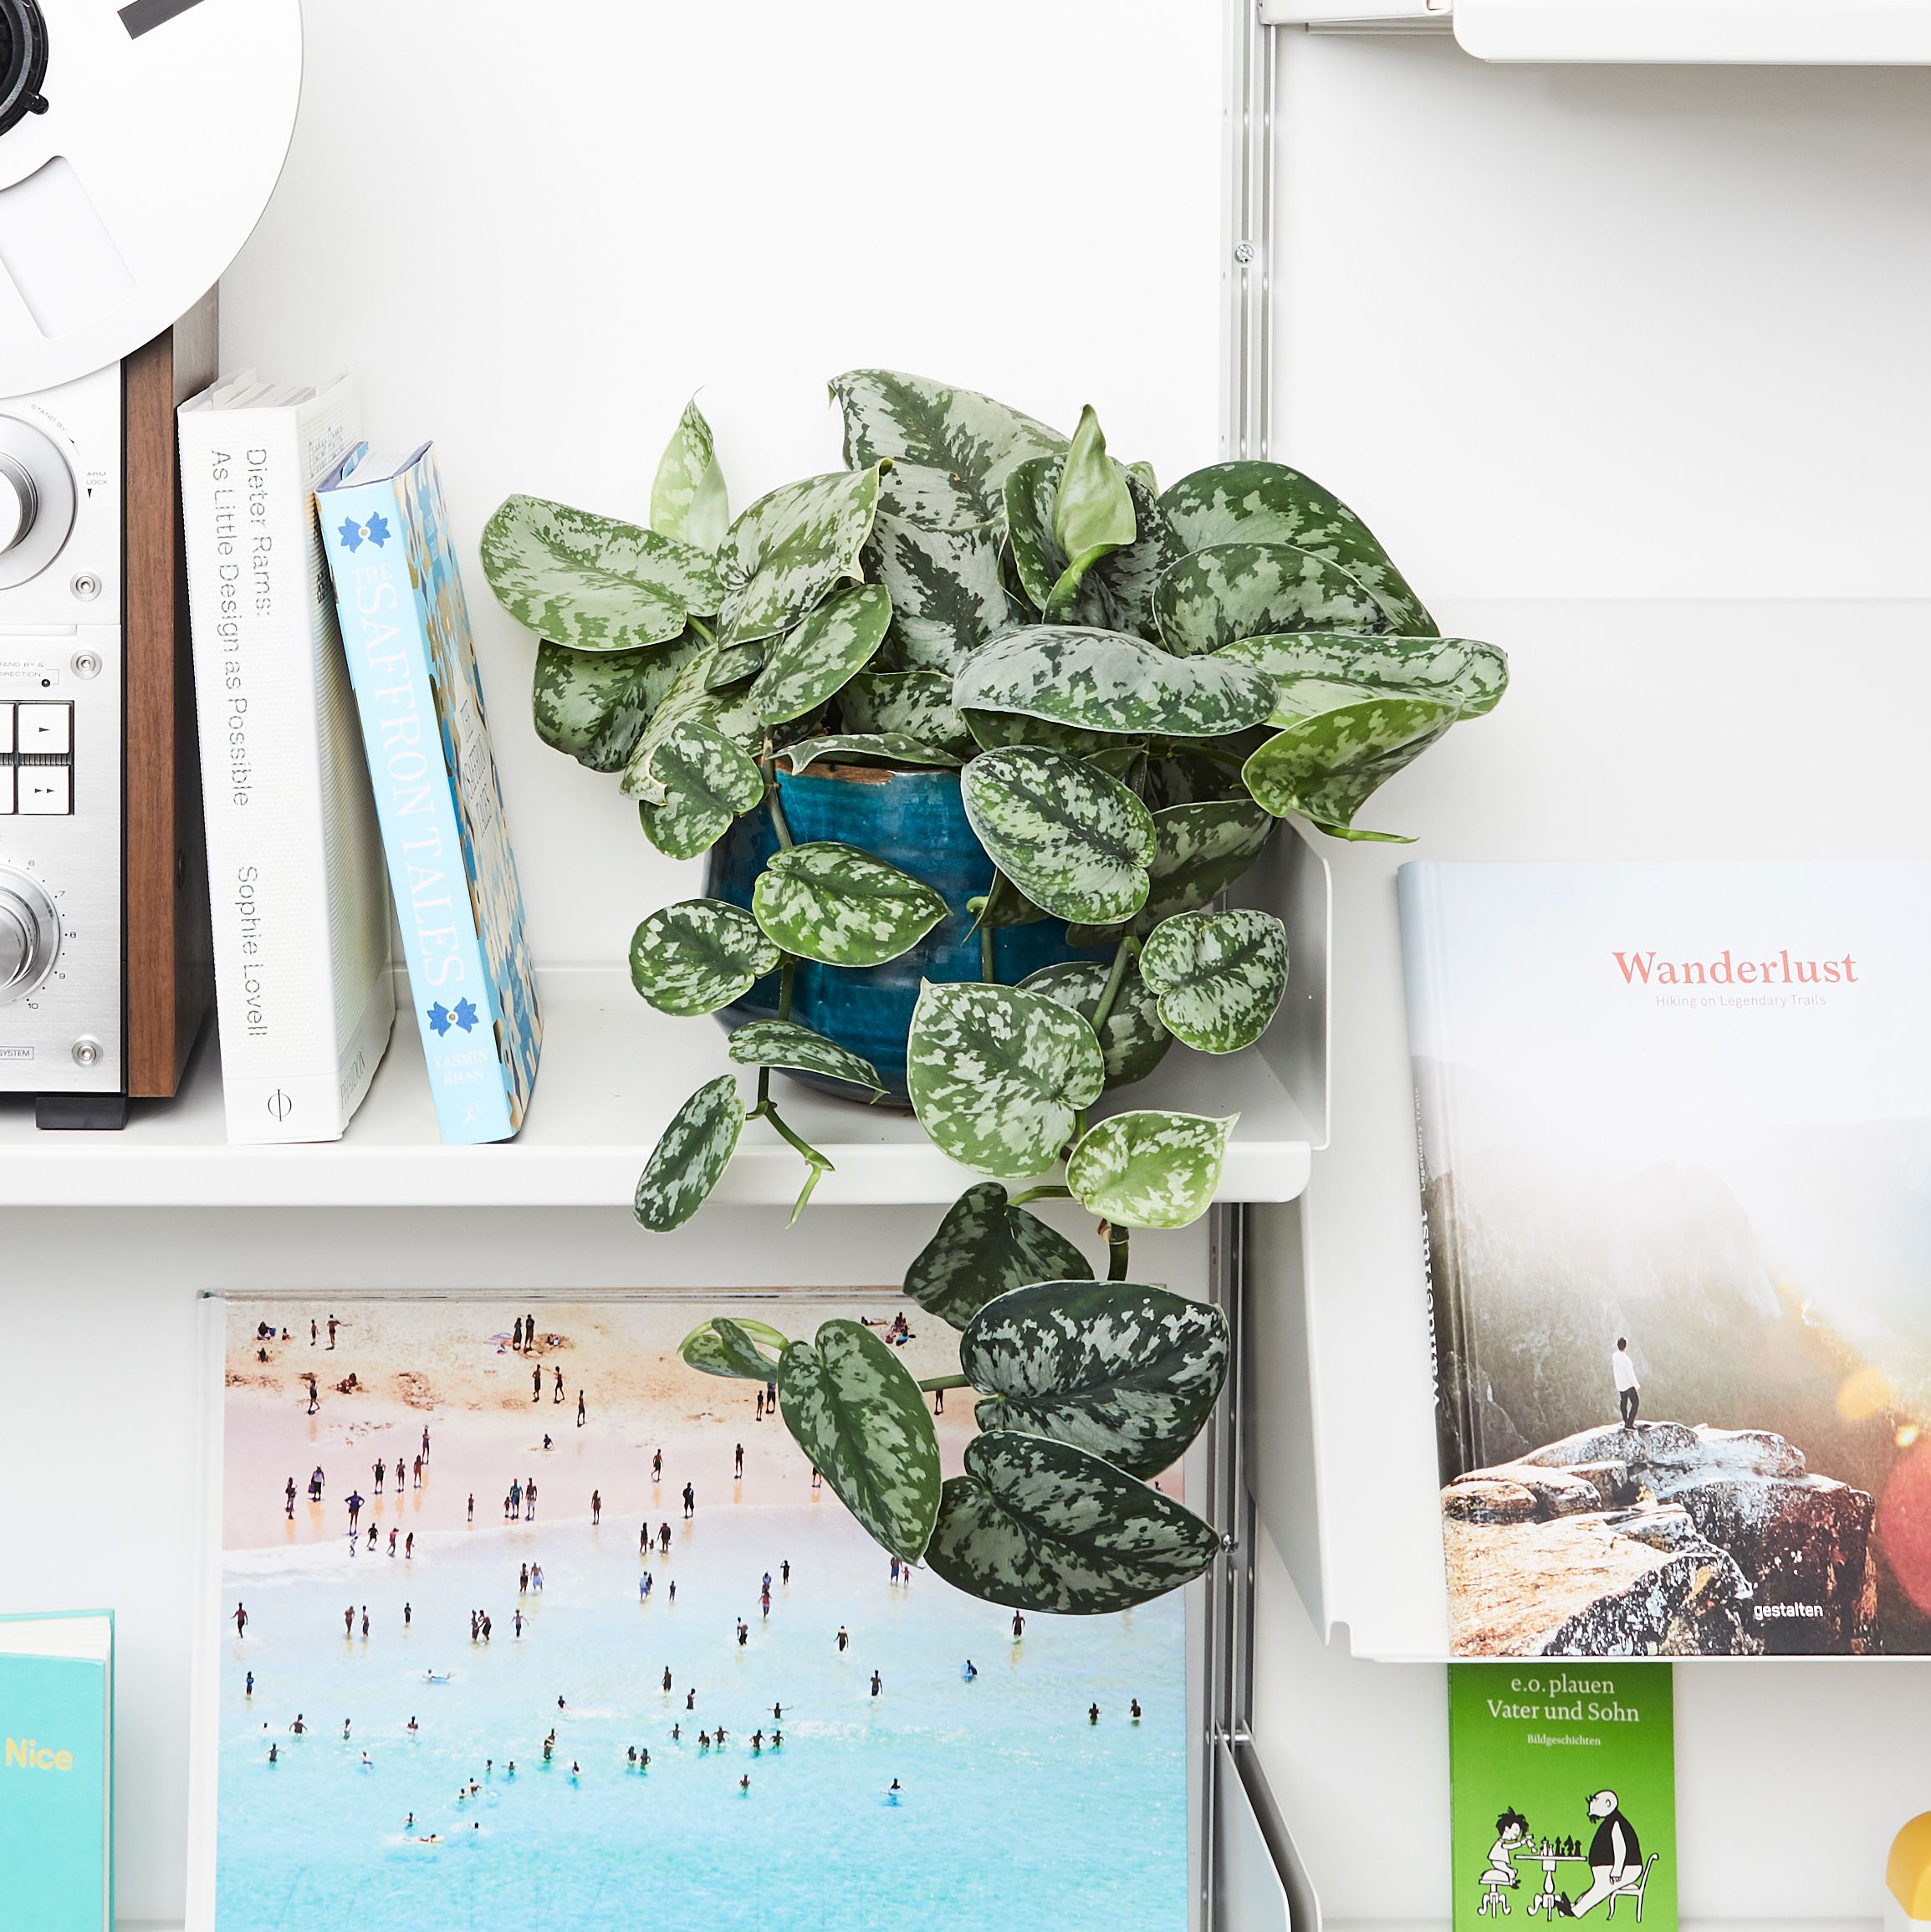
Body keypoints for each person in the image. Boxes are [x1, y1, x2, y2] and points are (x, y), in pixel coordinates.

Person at [1555, 1791, 1645, 1919]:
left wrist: (1617, 1870)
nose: (1592, 1804)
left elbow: (1621, 1847)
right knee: (1597, 1888)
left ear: (1608, 1804)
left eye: (1596, 1801)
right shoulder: (1611, 1821)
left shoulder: (1616, 1822)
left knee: (1600, 1889)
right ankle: (1575, 1905)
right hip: (1613, 1867)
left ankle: (1575, 1911)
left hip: (1626, 1867)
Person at [1613, 1339, 1641, 1429]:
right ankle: (1630, 1424)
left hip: (1620, 1384)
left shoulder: (1615, 1356)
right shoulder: (1626, 1360)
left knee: (1623, 1402)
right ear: (1625, 1347)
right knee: (1635, 1402)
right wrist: (1636, 1385)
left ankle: (1625, 1420)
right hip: (1628, 1385)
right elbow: (1631, 1375)